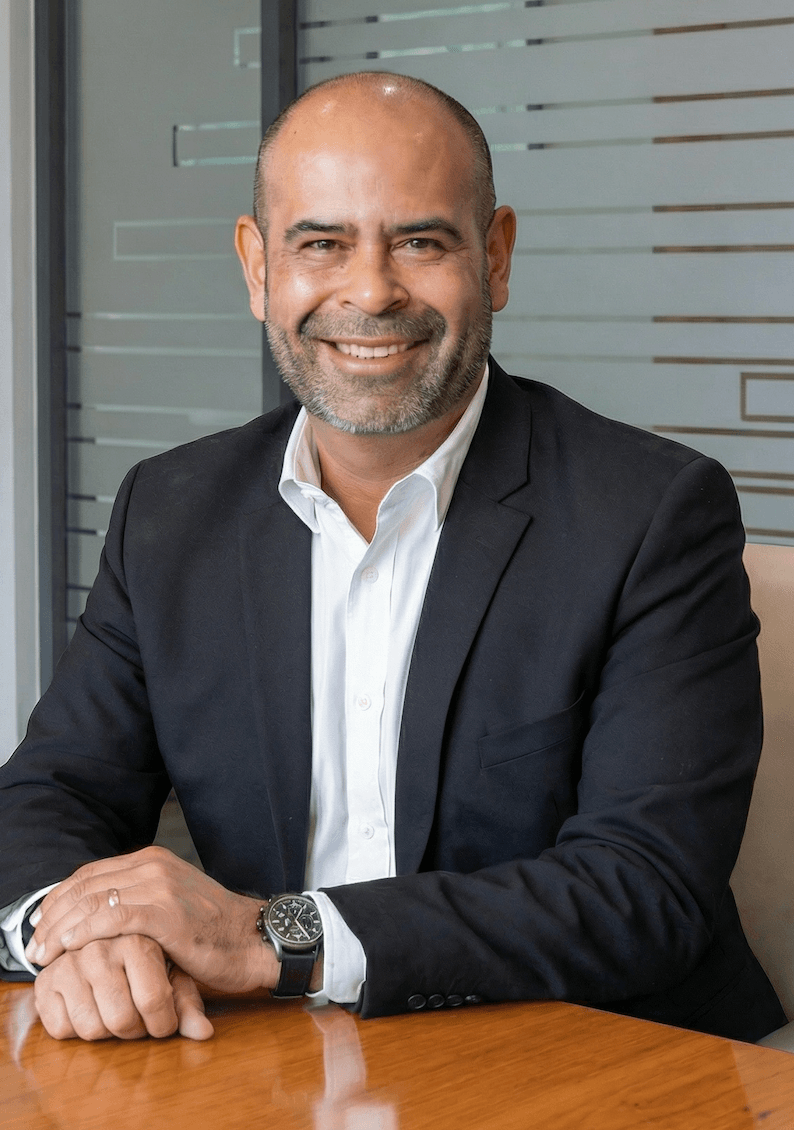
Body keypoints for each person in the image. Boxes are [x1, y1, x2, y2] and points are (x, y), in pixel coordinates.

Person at [0, 72, 785, 1043]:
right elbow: (54, 791)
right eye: (320, 244)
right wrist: (79, 933)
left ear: (495, 257)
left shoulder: (652, 514)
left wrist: (275, 937)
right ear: (257, 268)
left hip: (599, 1055)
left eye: (420, 241)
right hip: (280, 1063)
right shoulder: (170, 509)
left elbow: (645, 885)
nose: (370, 291)